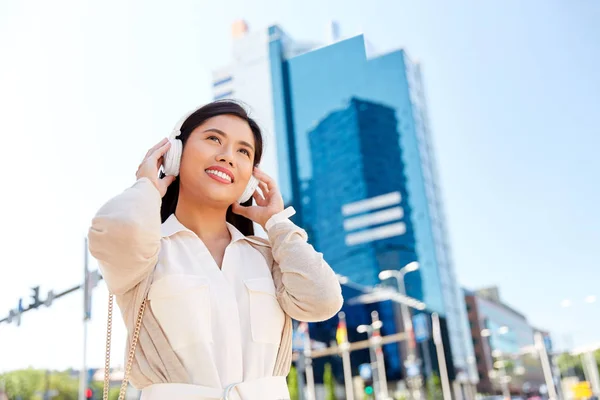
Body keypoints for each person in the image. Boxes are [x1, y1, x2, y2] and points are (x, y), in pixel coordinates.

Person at [88, 100, 344, 400]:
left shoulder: (268, 256)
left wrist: (277, 223)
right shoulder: (148, 250)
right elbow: (115, 232)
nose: (227, 157)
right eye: (214, 139)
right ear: (175, 153)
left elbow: (323, 300)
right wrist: (147, 185)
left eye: (243, 151)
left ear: (251, 178)